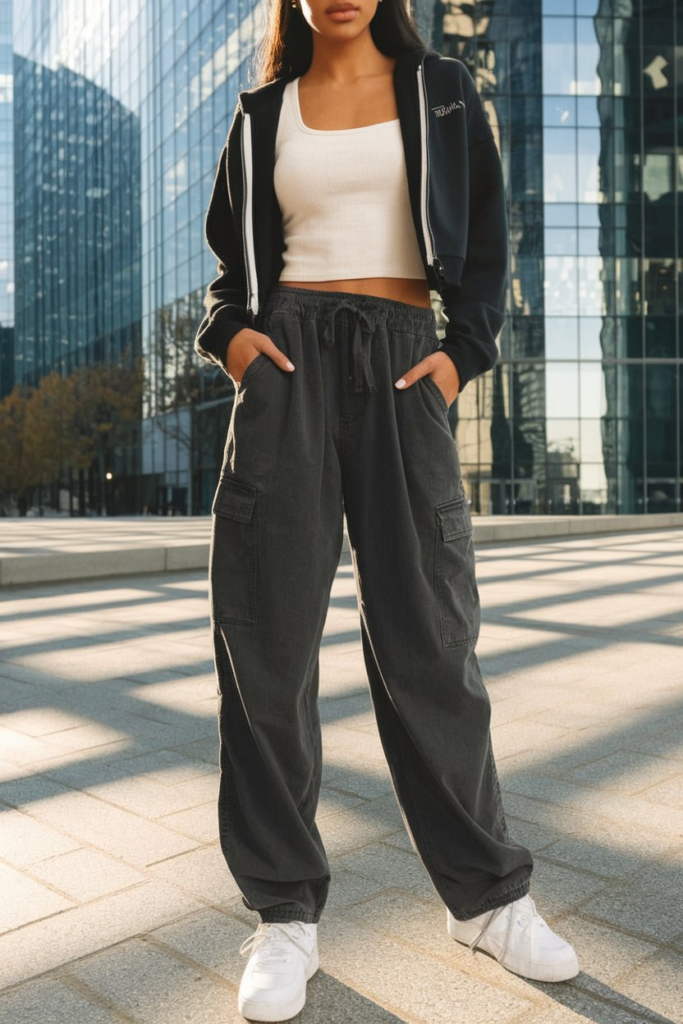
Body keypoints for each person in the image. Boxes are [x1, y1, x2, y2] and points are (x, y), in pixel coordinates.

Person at [194, 1, 580, 1019]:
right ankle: (282, 913)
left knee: (430, 637)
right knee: (265, 642)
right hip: (286, 369)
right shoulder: (257, 112)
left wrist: (458, 357)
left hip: (407, 362)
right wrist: (231, 341)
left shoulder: (444, 93)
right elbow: (231, 269)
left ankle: (487, 898)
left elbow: (488, 244)